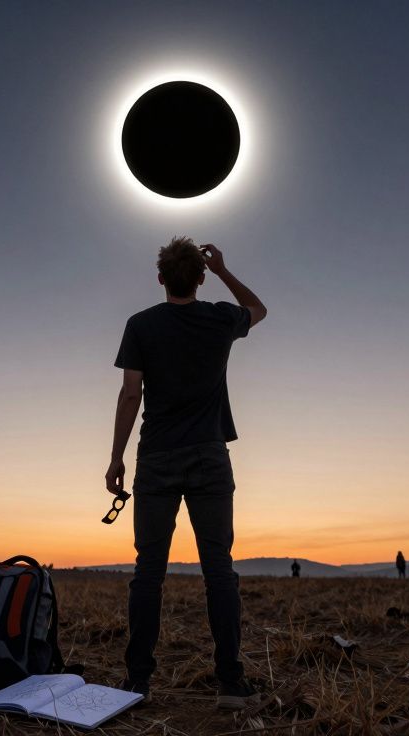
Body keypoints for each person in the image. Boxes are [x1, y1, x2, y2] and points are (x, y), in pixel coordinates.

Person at [105, 237, 267, 710]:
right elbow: (257, 308)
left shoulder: (141, 325)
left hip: (155, 457)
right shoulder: (220, 317)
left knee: (147, 572)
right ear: (198, 277)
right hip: (209, 457)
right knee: (219, 571)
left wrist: (116, 457)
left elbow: (130, 395)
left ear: (159, 279)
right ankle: (231, 684)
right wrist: (223, 270)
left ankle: (137, 682)